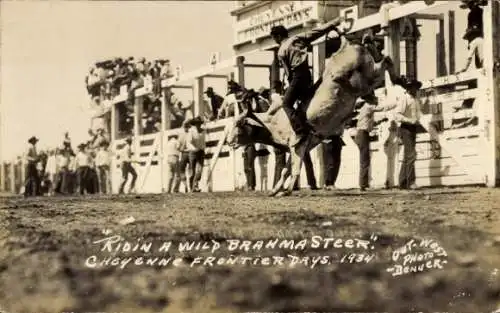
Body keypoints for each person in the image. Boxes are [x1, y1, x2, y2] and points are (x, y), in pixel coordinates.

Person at [270, 17, 343, 147]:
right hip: (306, 75)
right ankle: (319, 129)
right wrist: (334, 23)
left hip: (297, 77)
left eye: (275, 38)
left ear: (279, 36)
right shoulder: (298, 38)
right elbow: (318, 31)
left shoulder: (281, 51)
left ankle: (300, 132)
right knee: (307, 104)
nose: (275, 41)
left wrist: (290, 87)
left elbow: (288, 73)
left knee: (287, 104)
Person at [394, 78, 423, 190]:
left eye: (415, 87)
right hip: (406, 128)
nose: (414, 89)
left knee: (407, 156)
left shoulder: (415, 100)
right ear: (408, 88)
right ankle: (411, 182)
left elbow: (418, 113)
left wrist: (417, 120)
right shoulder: (404, 98)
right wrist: (410, 120)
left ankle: (402, 182)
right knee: (411, 155)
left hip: (413, 128)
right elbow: (397, 114)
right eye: (411, 87)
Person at [186, 117, 206, 192]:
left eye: (199, 123)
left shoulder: (203, 131)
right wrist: (194, 148)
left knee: (199, 170)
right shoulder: (191, 131)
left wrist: (203, 148)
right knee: (192, 170)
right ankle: (191, 187)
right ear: (194, 124)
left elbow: (203, 142)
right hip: (193, 152)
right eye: (197, 124)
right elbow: (188, 142)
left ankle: (195, 185)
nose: (198, 125)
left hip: (201, 151)